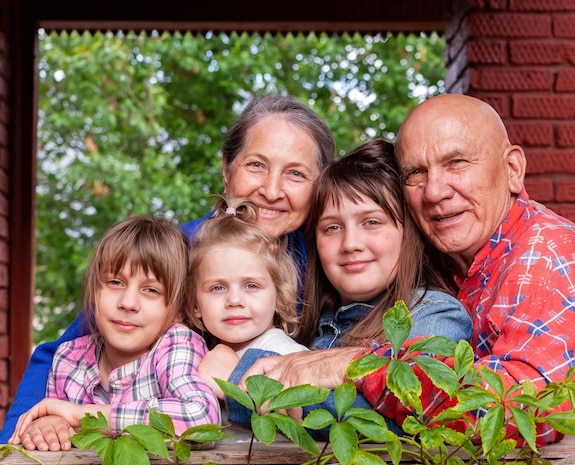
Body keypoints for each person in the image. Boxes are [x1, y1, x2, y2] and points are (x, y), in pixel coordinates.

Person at [240, 94, 575, 447]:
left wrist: (358, 363)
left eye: (456, 163)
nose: (435, 191)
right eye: (415, 173)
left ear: (512, 169)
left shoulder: (546, 254)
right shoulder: (450, 256)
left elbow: (526, 411)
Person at [0, 94, 335, 445]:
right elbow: (71, 347)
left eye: (296, 173)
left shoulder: (327, 258)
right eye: (256, 165)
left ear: (319, 186)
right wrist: (15, 442)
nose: (271, 190)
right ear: (226, 169)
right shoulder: (181, 250)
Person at [224, 138, 472, 432]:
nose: (350, 244)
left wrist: (236, 379)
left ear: (408, 234)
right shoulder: (320, 326)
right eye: (332, 227)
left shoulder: (433, 312)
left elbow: (401, 413)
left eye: (371, 222)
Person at [7, 215, 221, 451]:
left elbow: (202, 419)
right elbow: (57, 421)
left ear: (179, 310)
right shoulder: (68, 357)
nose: (128, 303)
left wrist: (82, 416)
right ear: (94, 291)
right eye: (115, 282)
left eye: (150, 290)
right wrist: (50, 424)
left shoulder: (176, 344)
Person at [186, 196, 308, 399]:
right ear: (194, 304)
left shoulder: (289, 357)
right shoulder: (194, 352)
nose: (234, 300)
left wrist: (234, 380)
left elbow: (299, 423)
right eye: (217, 288)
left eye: (251, 286)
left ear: (279, 297)